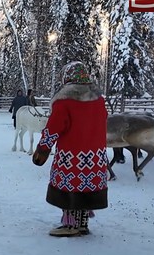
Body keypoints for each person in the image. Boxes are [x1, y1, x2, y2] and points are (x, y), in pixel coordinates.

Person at [32, 61, 108, 237]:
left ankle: (71, 225)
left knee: (71, 186)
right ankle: (82, 223)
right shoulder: (99, 101)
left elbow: (53, 129)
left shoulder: (64, 103)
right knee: (87, 187)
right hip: (95, 157)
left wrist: (42, 149)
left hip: (72, 157)